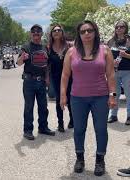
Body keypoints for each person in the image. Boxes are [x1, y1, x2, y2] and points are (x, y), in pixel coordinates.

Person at [60, 20, 117, 176]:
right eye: (83, 31)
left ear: (95, 32)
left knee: (101, 129)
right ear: (79, 34)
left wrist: (112, 96)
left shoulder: (105, 50)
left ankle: (100, 160)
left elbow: (111, 75)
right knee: (78, 129)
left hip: (100, 97)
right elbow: (65, 75)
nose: (86, 34)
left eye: (90, 30)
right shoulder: (71, 52)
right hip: (78, 98)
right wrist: (62, 95)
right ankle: (80, 159)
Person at [17, 24, 55, 141]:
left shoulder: (45, 48)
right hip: (29, 82)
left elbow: (48, 65)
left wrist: (48, 78)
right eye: (33, 32)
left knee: (43, 106)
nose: (36, 34)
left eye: (38, 32)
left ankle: (43, 127)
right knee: (29, 107)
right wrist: (22, 58)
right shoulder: (26, 47)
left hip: (42, 81)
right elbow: (18, 63)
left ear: (41, 34)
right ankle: (28, 130)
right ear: (31, 34)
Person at [48, 24, 73, 132]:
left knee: (71, 98)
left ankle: (73, 120)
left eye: (59, 30)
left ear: (62, 32)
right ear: (51, 34)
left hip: (70, 76)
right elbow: (47, 64)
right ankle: (60, 123)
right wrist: (47, 77)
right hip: (56, 77)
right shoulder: (48, 48)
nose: (56, 32)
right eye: (54, 31)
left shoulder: (69, 46)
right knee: (59, 99)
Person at [107, 20, 130, 125]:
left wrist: (126, 56)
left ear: (126, 28)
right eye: (117, 27)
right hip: (114, 73)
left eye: (121, 27)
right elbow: (106, 57)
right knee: (114, 93)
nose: (119, 29)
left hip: (127, 72)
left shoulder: (129, 41)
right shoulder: (111, 41)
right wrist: (112, 62)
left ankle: (129, 116)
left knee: (128, 94)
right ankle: (113, 114)